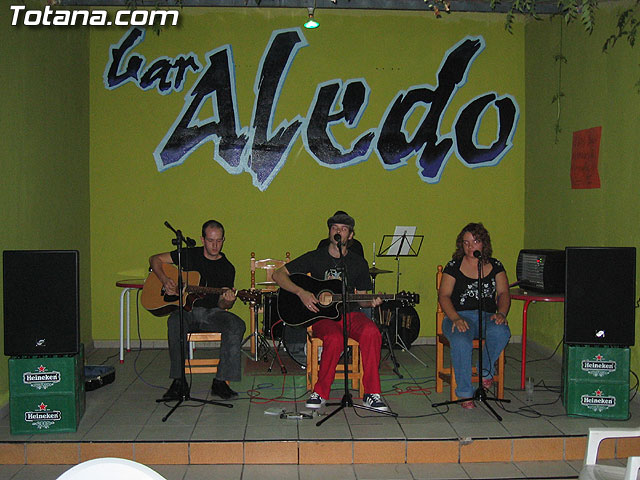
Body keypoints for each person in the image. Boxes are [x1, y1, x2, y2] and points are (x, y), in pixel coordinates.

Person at [272, 212, 389, 411]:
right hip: (323, 317)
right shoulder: (315, 257)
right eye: (335, 228)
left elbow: (362, 297)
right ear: (329, 232)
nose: (338, 232)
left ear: (350, 236)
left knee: (372, 333)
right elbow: (278, 274)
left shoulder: (358, 263)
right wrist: (302, 293)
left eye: (343, 229)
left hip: (351, 314)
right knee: (334, 339)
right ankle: (320, 392)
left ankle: (372, 393)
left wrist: (373, 302)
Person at [149, 219, 246, 401]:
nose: (215, 245)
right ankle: (179, 381)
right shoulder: (188, 255)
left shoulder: (227, 268)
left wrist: (228, 301)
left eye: (219, 240)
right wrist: (164, 280)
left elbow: (222, 305)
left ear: (224, 239)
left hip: (212, 314)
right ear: (202, 239)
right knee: (174, 321)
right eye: (210, 240)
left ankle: (221, 382)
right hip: (185, 311)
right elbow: (154, 259)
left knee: (236, 325)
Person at [437, 222, 511, 409]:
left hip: (487, 316)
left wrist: (501, 313)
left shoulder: (495, 265)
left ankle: (485, 371)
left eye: (475, 241)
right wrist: (455, 318)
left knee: (501, 331)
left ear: (483, 244)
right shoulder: (453, 266)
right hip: (458, 316)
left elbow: (503, 293)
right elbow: (444, 296)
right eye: (466, 243)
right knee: (461, 341)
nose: (470, 247)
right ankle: (464, 393)